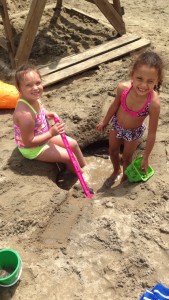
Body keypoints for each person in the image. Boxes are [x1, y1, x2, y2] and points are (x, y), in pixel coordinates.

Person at [96, 51, 163, 183]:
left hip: (134, 132)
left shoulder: (153, 103)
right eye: (139, 79)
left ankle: (124, 179)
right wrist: (105, 121)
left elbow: (152, 133)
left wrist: (145, 157)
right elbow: (115, 105)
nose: (143, 85)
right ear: (132, 74)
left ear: (157, 81)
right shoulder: (123, 88)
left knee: (127, 158)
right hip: (117, 125)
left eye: (150, 81)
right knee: (113, 150)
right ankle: (116, 170)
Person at [13, 64, 86, 174]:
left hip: (44, 136)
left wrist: (47, 114)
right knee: (68, 156)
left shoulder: (34, 98)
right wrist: (51, 133)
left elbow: (40, 111)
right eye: (29, 85)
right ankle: (77, 175)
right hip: (33, 148)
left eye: (38, 83)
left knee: (74, 144)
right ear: (19, 88)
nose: (35, 88)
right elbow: (29, 142)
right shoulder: (25, 115)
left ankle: (84, 167)